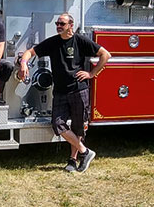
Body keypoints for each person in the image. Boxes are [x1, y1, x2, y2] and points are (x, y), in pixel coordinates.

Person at [18, 13, 111, 173]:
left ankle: (72, 161)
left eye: (62, 23)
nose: (58, 26)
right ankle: (85, 152)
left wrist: (91, 73)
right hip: (60, 91)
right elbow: (29, 52)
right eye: (57, 23)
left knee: (78, 127)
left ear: (71, 25)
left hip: (78, 89)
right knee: (58, 124)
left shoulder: (80, 41)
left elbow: (105, 55)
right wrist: (24, 63)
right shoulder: (53, 42)